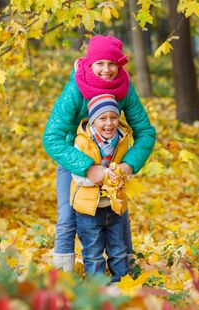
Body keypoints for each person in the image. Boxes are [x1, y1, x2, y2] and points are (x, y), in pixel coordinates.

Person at [43, 35, 156, 272]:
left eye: (112, 63)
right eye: (100, 64)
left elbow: (145, 131)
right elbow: (51, 137)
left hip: (112, 159)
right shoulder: (76, 87)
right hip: (75, 159)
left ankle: (126, 273)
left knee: (120, 214)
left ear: (120, 65)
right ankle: (61, 278)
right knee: (67, 217)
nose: (106, 70)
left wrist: (128, 165)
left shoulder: (124, 87)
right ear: (89, 63)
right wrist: (87, 167)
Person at [70, 94, 133, 282]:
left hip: (114, 207)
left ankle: (122, 284)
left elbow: (129, 167)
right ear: (93, 119)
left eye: (113, 117)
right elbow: (78, 177)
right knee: (93, 252)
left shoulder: (122, 140)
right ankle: (96, 288)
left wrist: (123, 176)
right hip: (88, 209)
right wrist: (104, 177)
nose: (109, 123)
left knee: (118, 249)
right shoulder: (81, 142)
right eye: (102, 118)